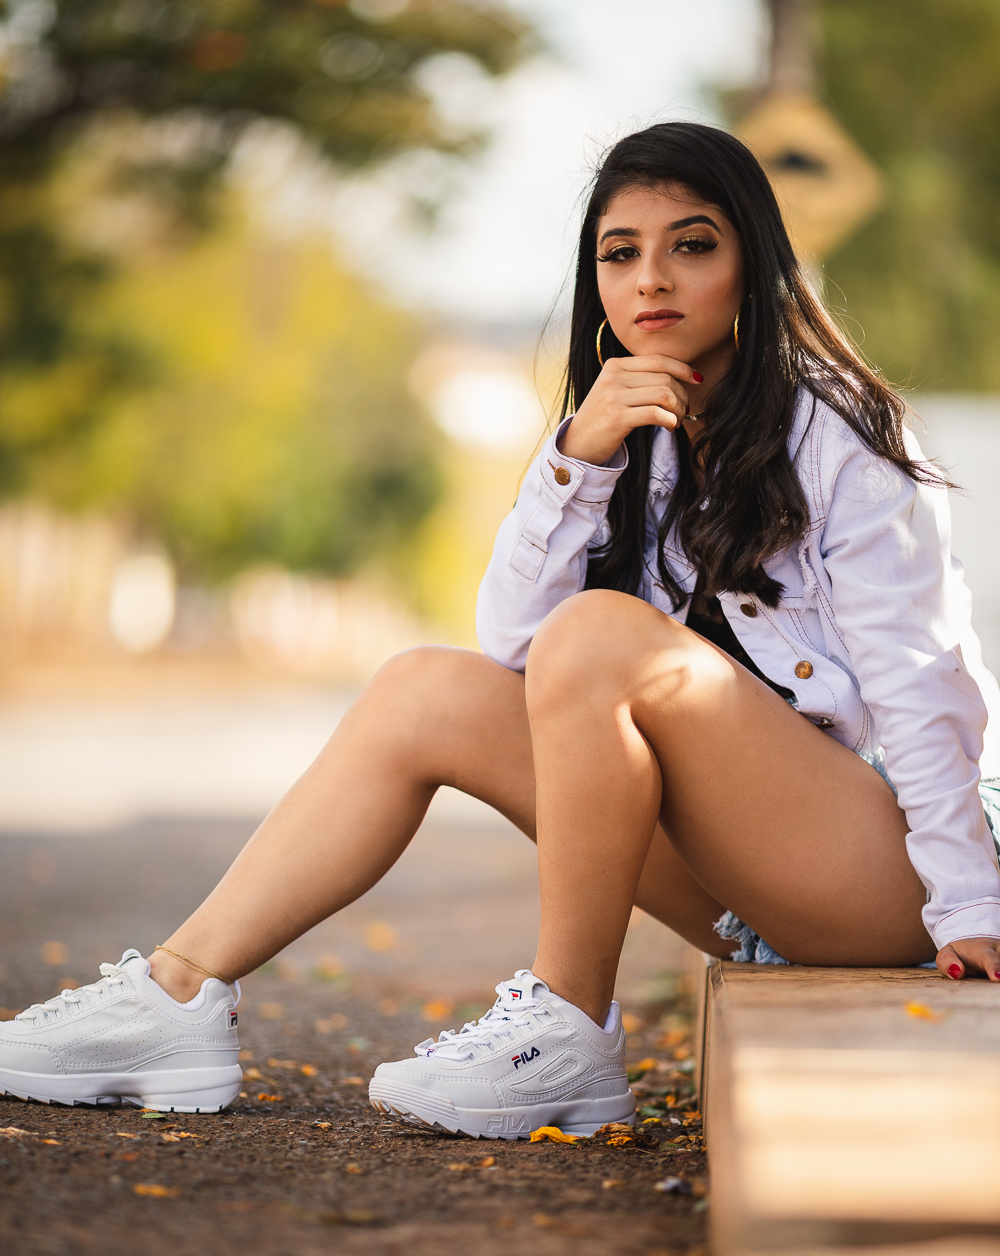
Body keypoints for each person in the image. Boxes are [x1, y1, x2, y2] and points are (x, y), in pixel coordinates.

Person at [4, 122, 1000, 1135]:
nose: (651, 278)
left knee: (600, 633)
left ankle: (565, 1023)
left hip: (886, 878)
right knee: (421, 690)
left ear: (753, 262)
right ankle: (173, 997)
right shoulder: (625, 433)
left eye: (691, 245)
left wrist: (969, 906)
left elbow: (924, 682)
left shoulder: (839, 436)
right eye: (621, 254)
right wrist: (577, 457)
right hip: (749, 886)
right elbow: (515, 649)